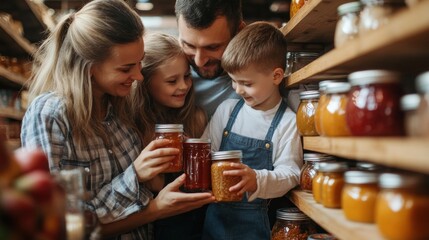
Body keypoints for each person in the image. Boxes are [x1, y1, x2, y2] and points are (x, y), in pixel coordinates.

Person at [20, 0, 214, 239]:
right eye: (125, 69)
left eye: (140, 62)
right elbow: (63, 225)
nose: (138, 76)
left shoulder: (120, 109)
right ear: (89, 67)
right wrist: (139, 181)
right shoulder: (52, 115)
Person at [201, 22, 303, 240]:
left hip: (255, 228)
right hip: (215, 222)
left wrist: (257, 179)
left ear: (276, 76)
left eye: (246, 83)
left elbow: (291, 173)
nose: (237, 90)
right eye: (233, 81)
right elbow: (206, 152)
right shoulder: (227, 111)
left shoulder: (287, 122)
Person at [130, 32, 208, 240]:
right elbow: (155, 185)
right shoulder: (135, 124)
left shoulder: (196, 118)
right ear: (144, 82)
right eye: (172, 81)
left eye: (186, 77)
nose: (183, 86)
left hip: (198, 226)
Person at [175, 0, 245, 118]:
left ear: (239, 32)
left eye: (212, 47)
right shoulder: (163, 73)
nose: (199, 61)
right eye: (189, 45)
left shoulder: (265, 76)